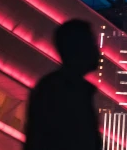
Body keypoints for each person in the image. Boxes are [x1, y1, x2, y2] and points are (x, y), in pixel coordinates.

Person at [23, 19, 102, 150]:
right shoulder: (61, 91)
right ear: (78, 49)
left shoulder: (55, 87)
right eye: (92, 43)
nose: (97, 50)